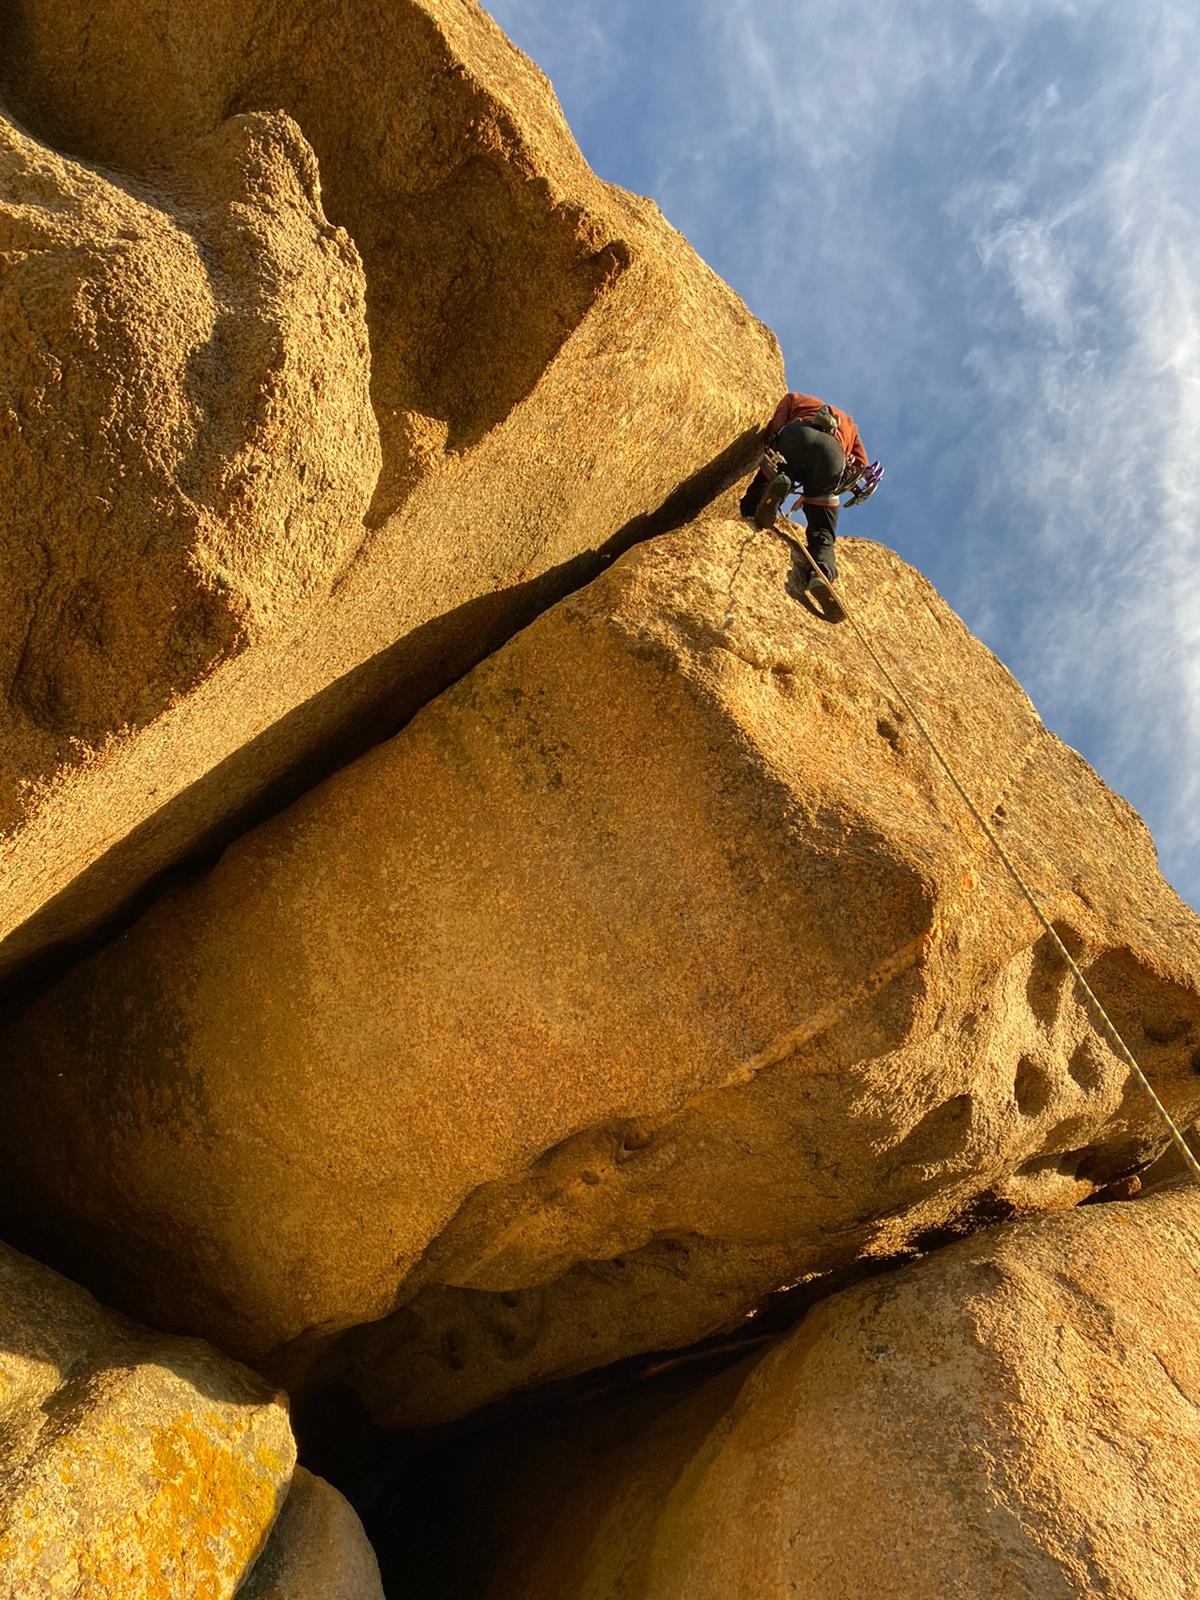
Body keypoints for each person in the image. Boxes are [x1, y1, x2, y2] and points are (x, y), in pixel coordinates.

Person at [739, 391, 870, 599]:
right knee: (822, 531)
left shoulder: (796, 398)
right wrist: (817, 491)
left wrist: (770, 443)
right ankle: (822, 572)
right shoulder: (849, 424)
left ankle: (769, 494)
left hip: (796, 436)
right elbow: (861, 465)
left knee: (764, 484)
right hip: (831, 455)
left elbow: (777, 423)